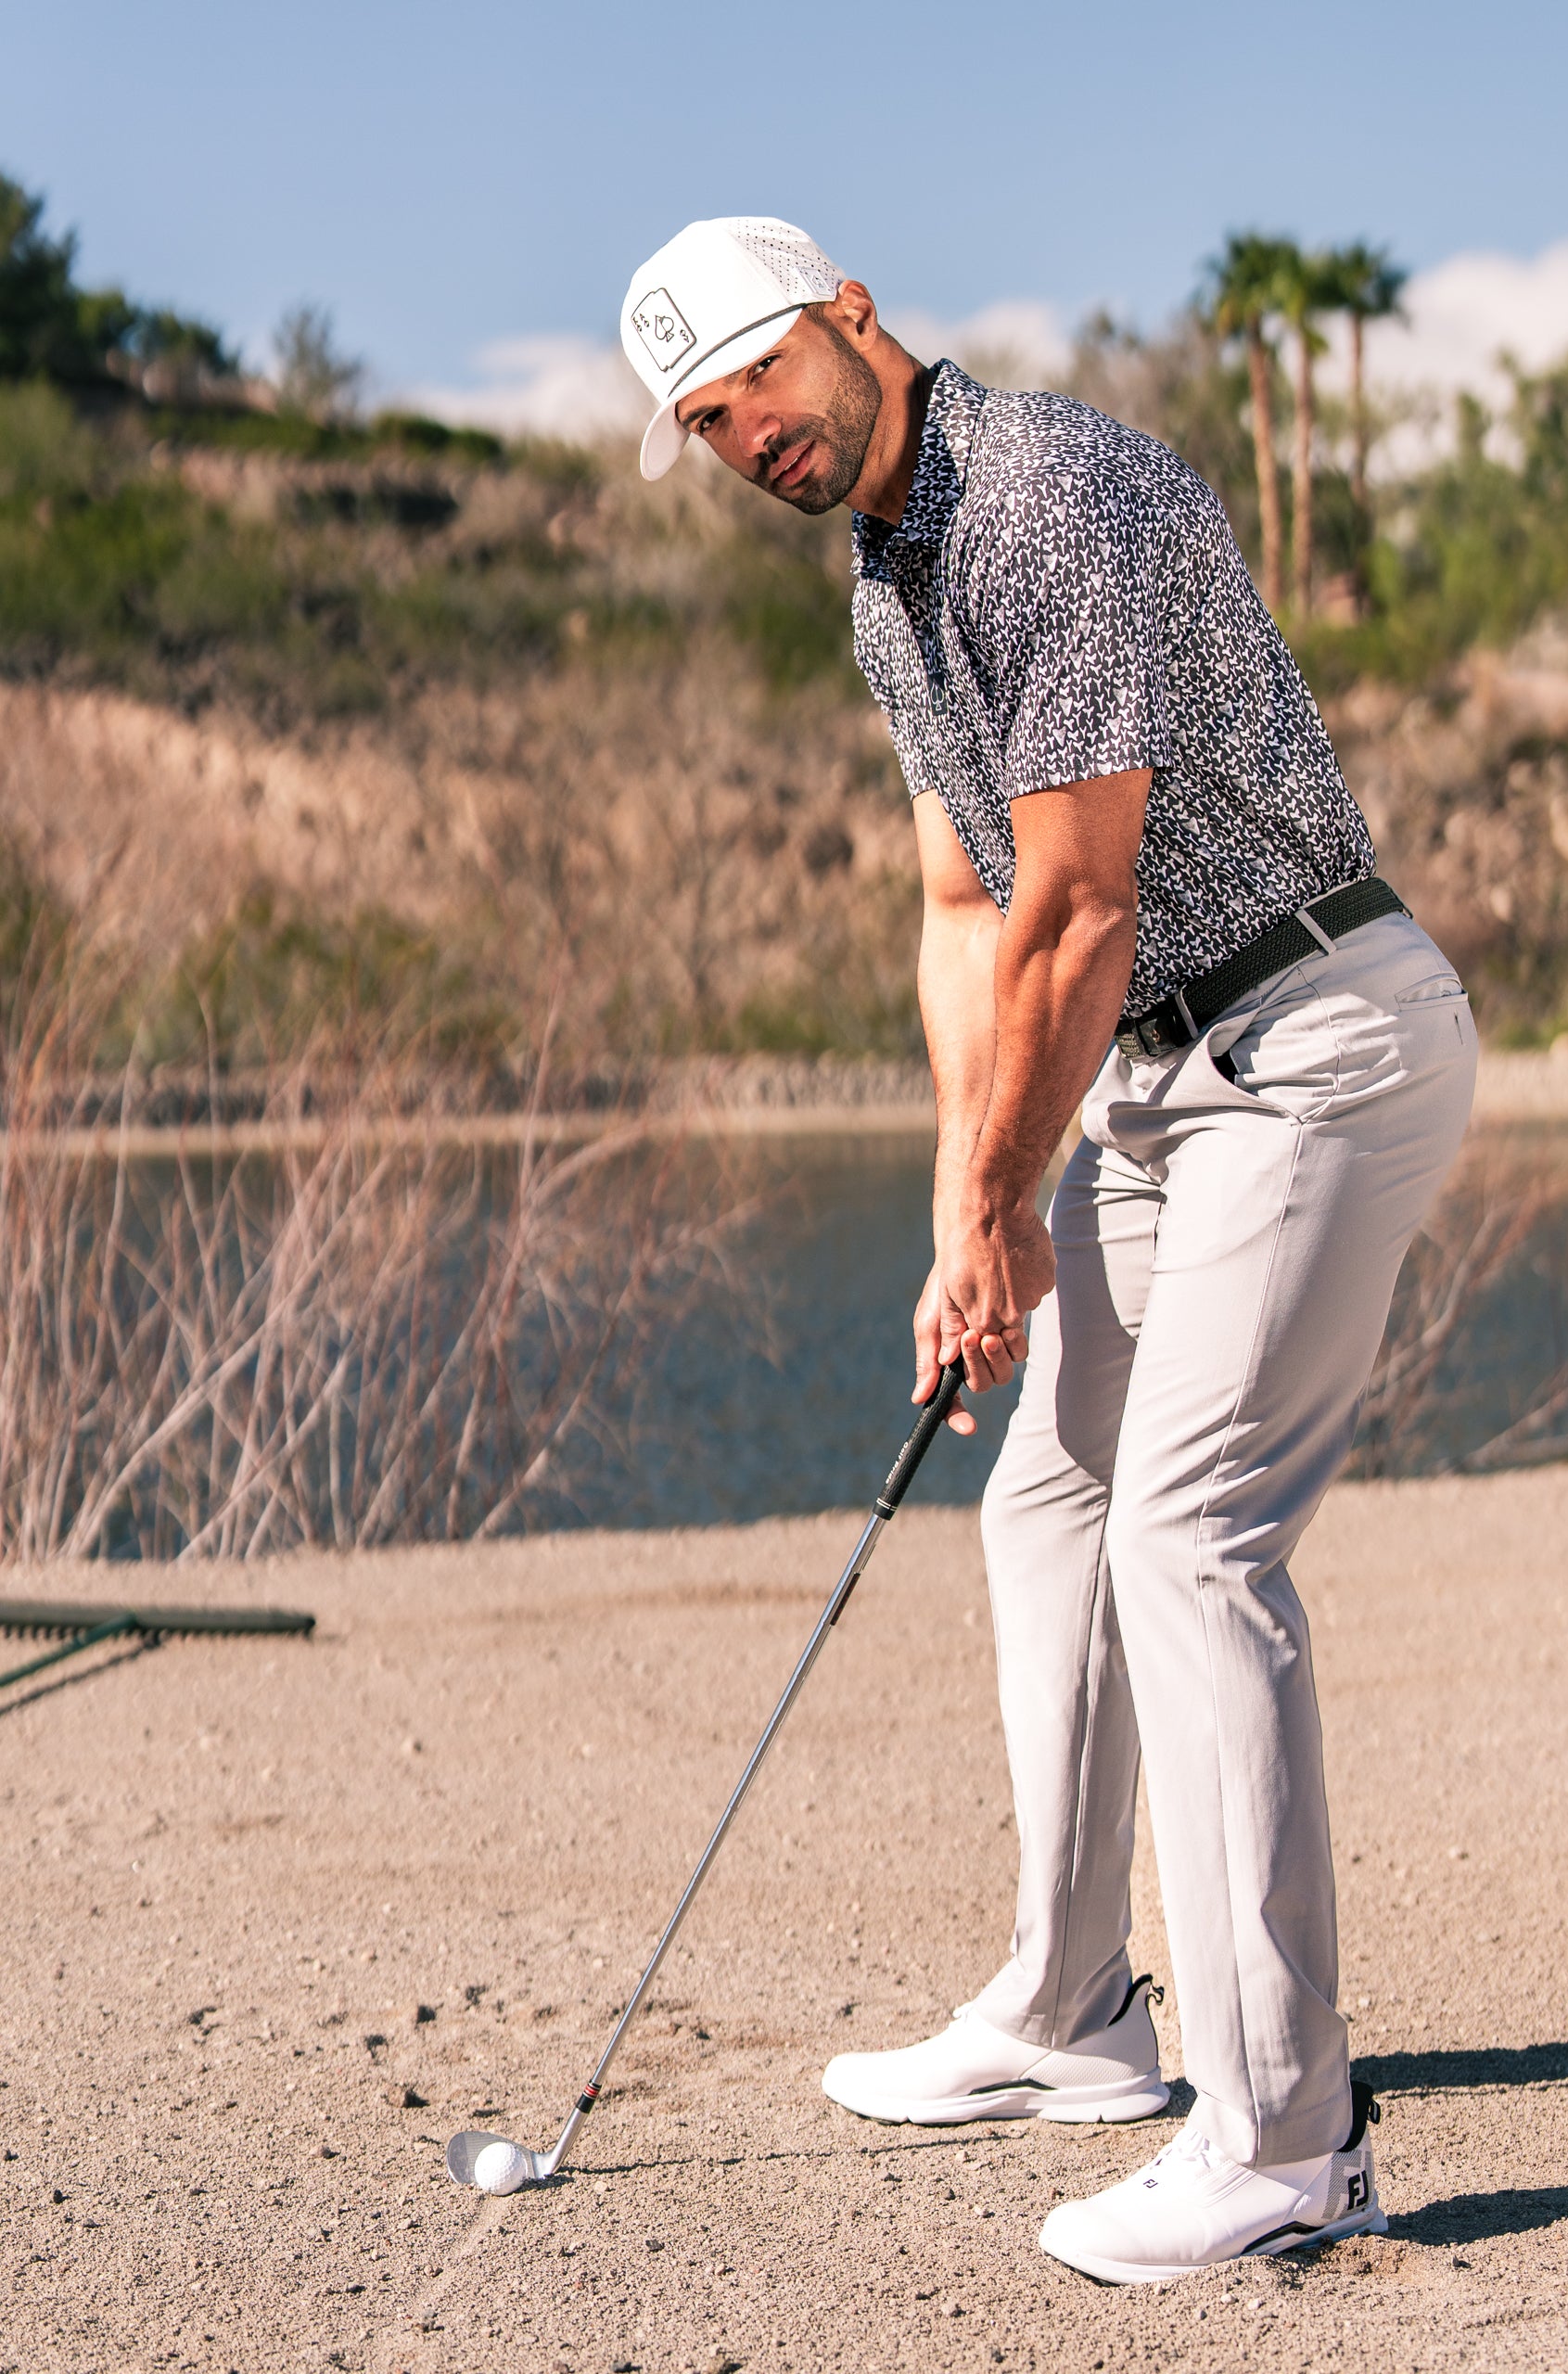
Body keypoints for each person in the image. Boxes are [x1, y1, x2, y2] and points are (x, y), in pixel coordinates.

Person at [618, 217, 1477, 2284]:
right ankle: (1076, 2013)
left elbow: (1079, 905)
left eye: (758, 381)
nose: (747, 433)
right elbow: (958, 906)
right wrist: (959, 1202)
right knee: (1052, 1506)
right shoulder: (886, 584)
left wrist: (1009, 1196)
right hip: (1154, 1079)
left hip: (1313, 1039)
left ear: (853, 321)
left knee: (1188, 1536)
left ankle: (1283, 2138)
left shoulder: (1051, 502)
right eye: (705, 420)